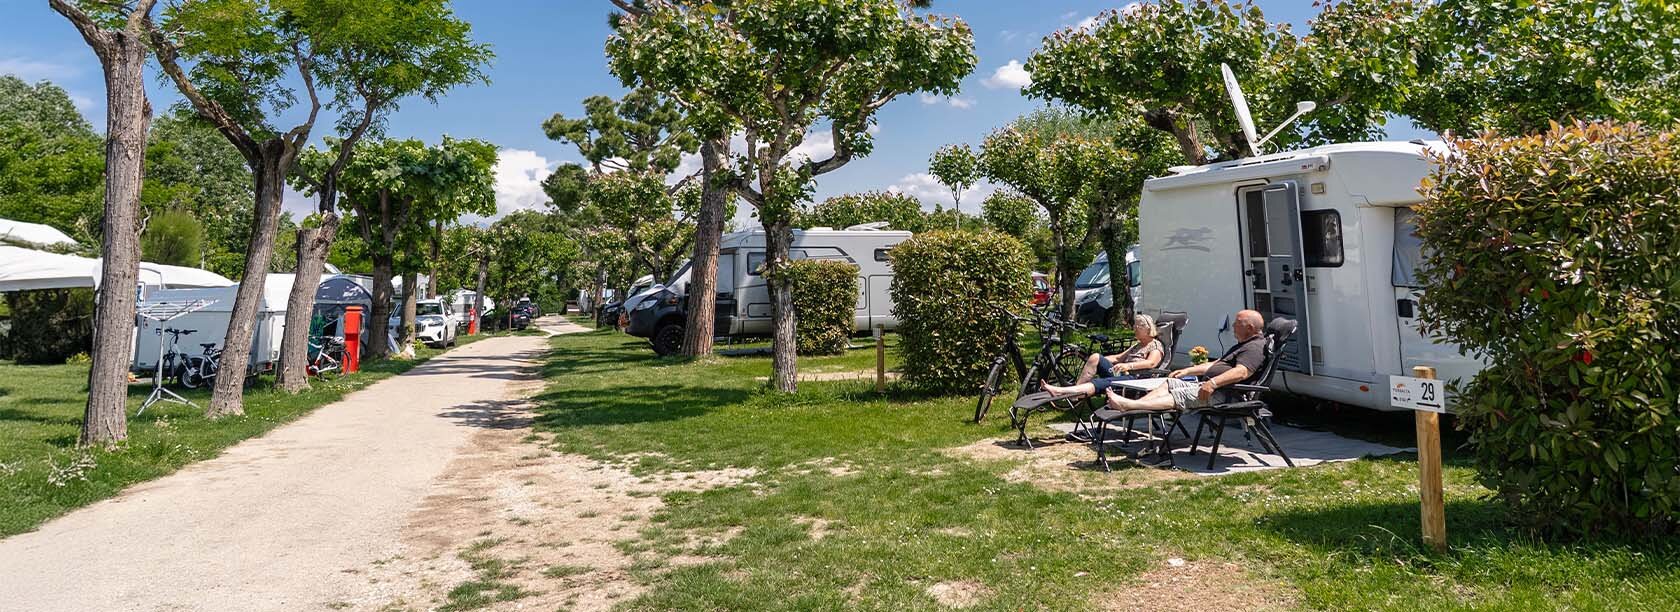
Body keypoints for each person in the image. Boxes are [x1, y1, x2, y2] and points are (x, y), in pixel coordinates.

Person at [1103, 310, 1268, 413]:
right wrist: (1188, 371)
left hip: (1226, 394)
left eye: (1237, 323)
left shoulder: (1254, 347)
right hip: (1213, 388)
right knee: (1169, 383)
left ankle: (1129, 406)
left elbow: (1242, 372)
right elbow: (1215, 364)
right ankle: (1132, 406)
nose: (1233, 326)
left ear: (1250, 328)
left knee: (1178, 395)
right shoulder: (1242, 345)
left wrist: (1213, 383)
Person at [1038, 314, 1164, 398]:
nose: (1134, 328)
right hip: (1122, 374)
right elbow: (1118, 358)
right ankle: (1076, 394)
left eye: (1138, 326)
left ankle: (1061, 391)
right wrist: (1098, 361)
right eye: (1134, 325)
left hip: (1135, 379)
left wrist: (1128, 366)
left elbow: (1151, 363)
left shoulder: (1155, 345)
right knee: (1095, 357)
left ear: (1148, 328)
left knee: (1099, 382)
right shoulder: (1137, 345)